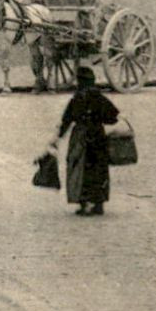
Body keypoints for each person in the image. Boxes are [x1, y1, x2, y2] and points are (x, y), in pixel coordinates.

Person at [52, 66, 121, 216]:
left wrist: (57, 138)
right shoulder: (99, 98)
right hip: (98, 136)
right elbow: (113, 116)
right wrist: (99, 119)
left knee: (80, 169)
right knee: (99, 169)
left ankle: (84, 204)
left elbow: (66, 120)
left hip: (81, 137)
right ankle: (99, 203)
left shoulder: (77, 98)